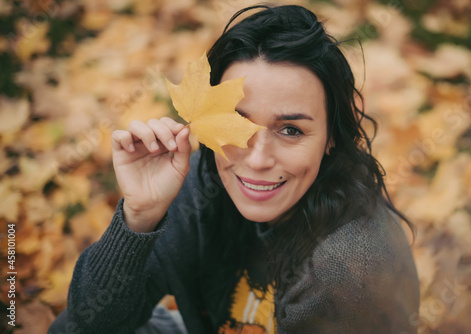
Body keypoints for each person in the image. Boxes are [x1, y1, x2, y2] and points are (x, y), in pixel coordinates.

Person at [49, 4, 419, 334]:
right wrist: (140, 216)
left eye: (290, 130)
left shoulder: (349, 268)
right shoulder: (198, 184)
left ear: (331, 138)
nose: (257, 159)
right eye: (236, 124)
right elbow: (86, 325)